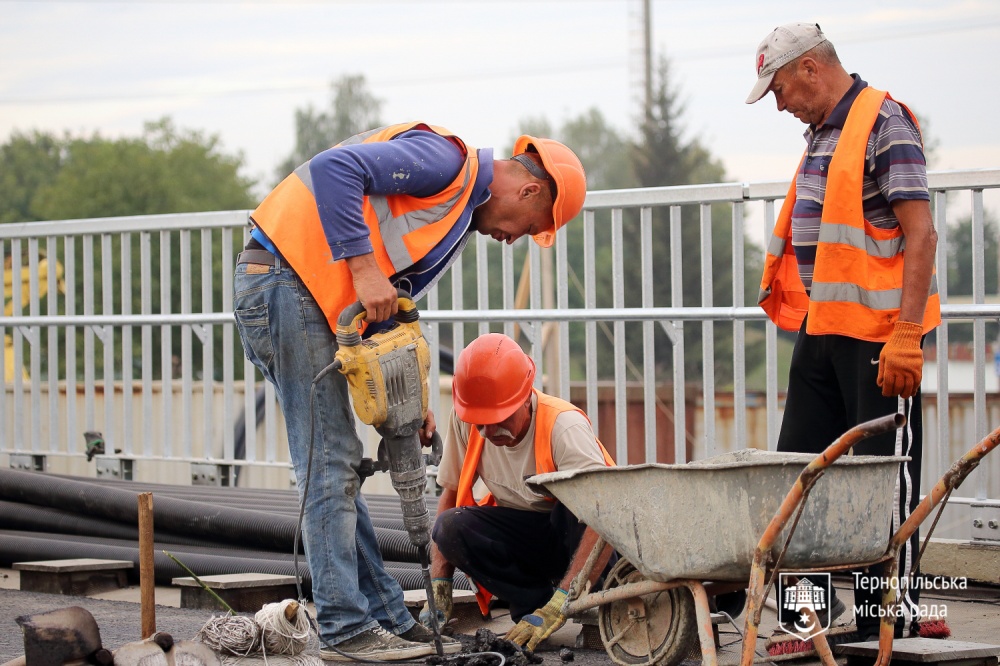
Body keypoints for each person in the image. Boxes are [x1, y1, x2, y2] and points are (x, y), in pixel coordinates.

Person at [232, 123, 587, 661]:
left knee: (341, 463)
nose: (513, 238)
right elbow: (333, 170)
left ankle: (386, 618)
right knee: (328, 462)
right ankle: (345, 628)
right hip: (285, 282)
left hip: (303, 290)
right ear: (529, 190)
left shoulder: (456, 211)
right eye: (530, 226)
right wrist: (363, 269)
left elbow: (383, 305)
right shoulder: (447, 162)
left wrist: (410, 400)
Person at [747, 23, 940, 641]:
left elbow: (921, 234)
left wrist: (906, 333)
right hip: (823, 327)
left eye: (779, 89)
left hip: (880, 338)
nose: (779, 104)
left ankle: (892, 621)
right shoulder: (823, 133)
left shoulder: (885, 124)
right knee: (800, 473)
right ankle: (808, 621)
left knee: (883, 480)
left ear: (809, 68)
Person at [420, 333, 616, 652]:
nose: (487, 432)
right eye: (479, 423)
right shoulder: (467, 419)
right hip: (531, 539)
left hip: (586, 539)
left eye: (498, 420)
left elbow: (604, 518)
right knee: (450, 527)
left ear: (525, 397)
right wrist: (439, 583)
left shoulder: (563, 428)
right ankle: (533, 608)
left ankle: (571, 602)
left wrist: (564, 600)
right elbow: (451, 494)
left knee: (576, 506)